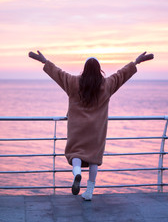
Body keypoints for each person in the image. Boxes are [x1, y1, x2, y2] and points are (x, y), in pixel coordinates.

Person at [29, 50, 154, 200]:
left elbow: (58, 73)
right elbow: (122, 75)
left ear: (85, 69)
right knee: (93, 158)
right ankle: (89, 192)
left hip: (77, 127)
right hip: (96, 130)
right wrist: (136, 62)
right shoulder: (107, 84)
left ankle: (77, 173)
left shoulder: (73, 82)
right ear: (98, 69)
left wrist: (44, 61)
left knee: (75, 153)